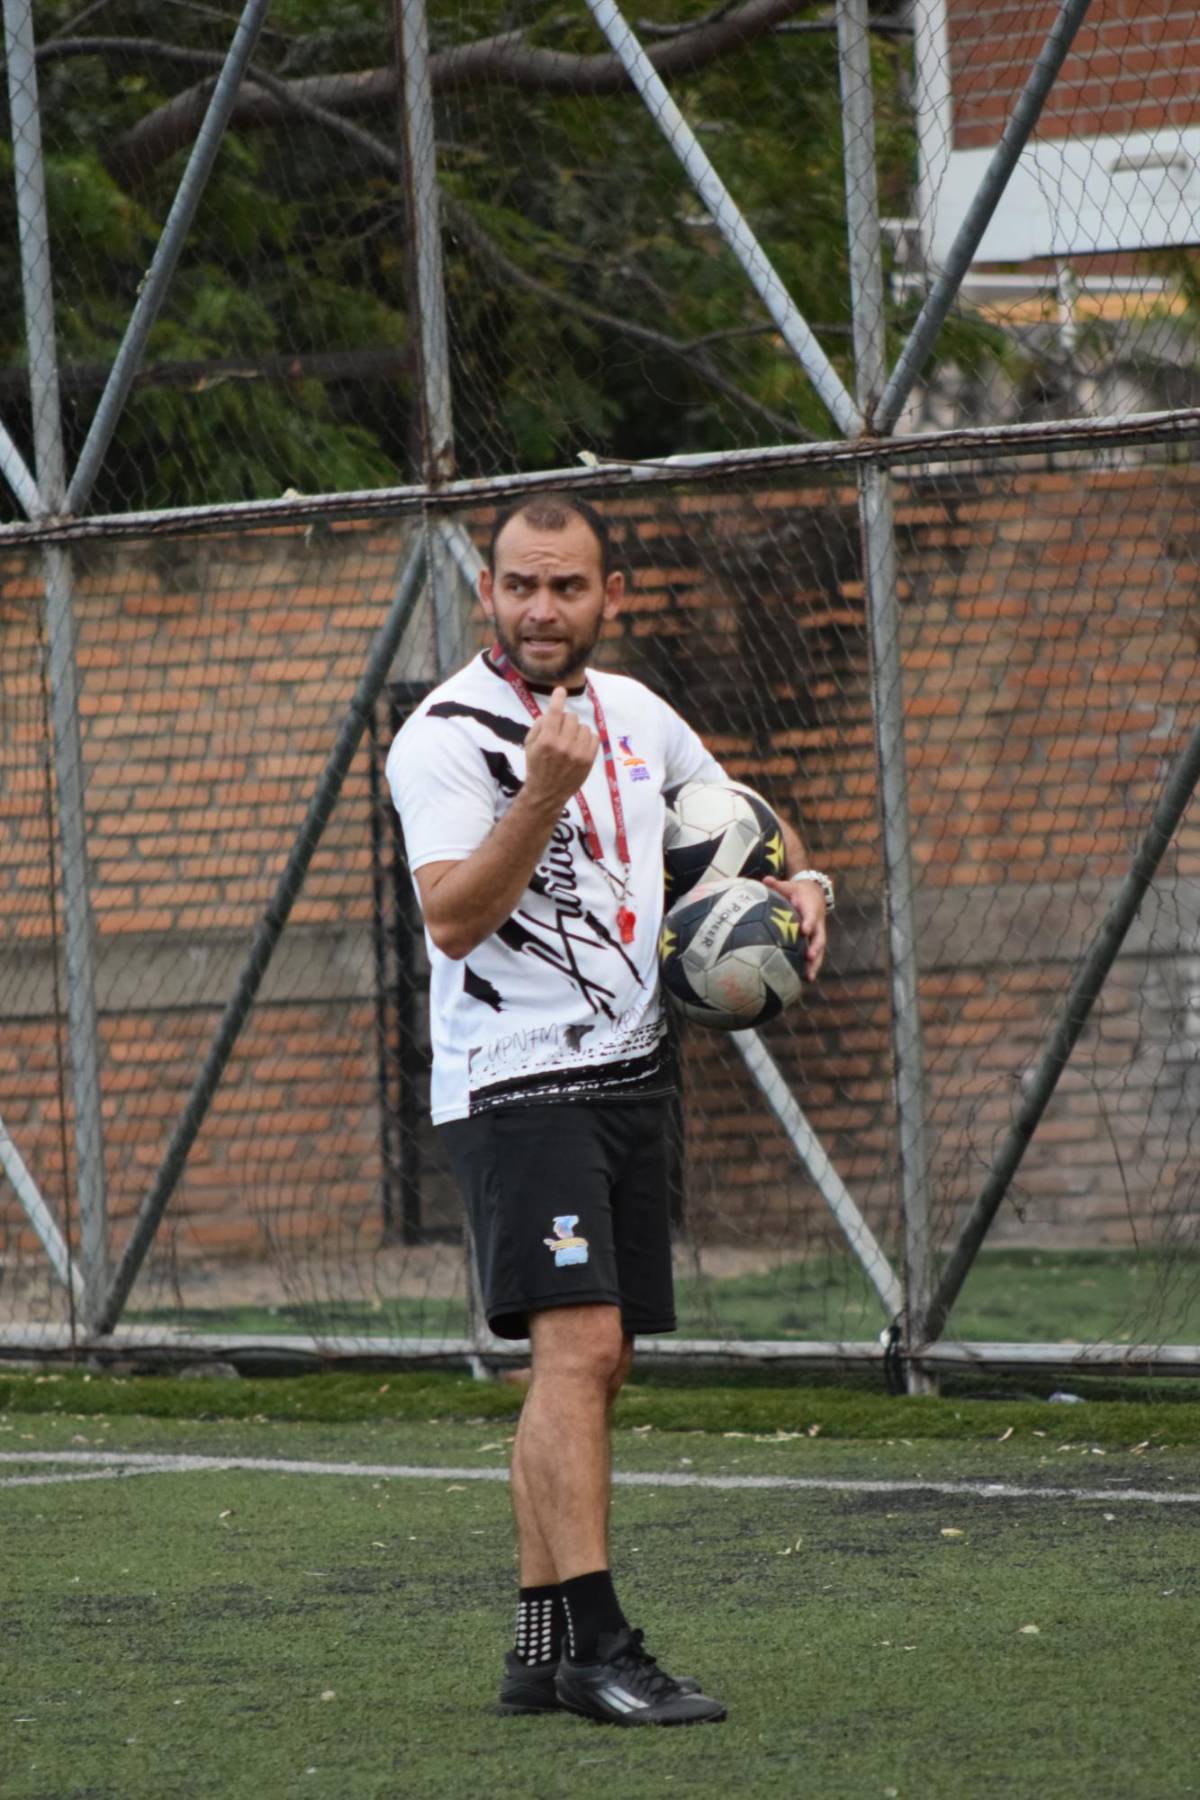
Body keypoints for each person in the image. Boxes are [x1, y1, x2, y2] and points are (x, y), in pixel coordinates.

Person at [386, 494, 832, 1728]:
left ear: (606, 598)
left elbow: (740, 819)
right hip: (515, 1079)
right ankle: (596, 1646)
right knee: (577, 1350)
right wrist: (539, 798)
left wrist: (805, 879)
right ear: (487, 592)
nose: (542, 610)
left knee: (598, 1359)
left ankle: (537, 1648)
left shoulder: (636, 713)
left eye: (567, 588)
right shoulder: (443, 740)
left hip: (632, 1068)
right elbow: (453, 918)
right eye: (520, 586)